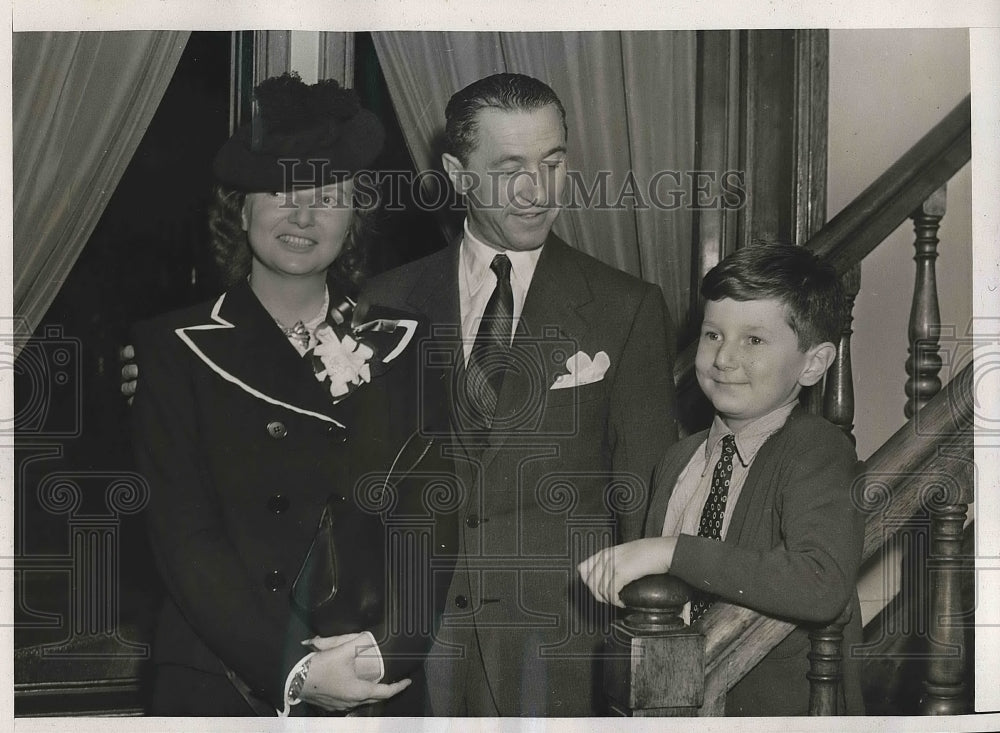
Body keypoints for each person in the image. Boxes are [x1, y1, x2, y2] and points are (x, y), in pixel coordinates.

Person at [130, 73, 455, 717]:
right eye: (281, 191)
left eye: (329, 196)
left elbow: (430, 515)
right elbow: (184, 539)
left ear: (353, 218)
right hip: (224, 678)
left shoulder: (402, 341)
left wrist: (390, 651)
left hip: (368, 677)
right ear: (241, 208)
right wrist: (296, 670)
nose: (304, 216)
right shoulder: (171, 347)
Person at [359, 73, 677, 716]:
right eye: (510, 169)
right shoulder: (381, 303)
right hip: (411, 648)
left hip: (559, 650)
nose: (539, 191)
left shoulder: (626, 307)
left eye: (553, 162)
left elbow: (645, 498)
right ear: (457, 172)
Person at [578, 242, 865, 716]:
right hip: (680, 700)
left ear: (813, 364)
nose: (724, 358)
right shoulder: (679, 460)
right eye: (713, 335)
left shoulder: (817, 450)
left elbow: (822, 581)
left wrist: (670, 551)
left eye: (753, 340)